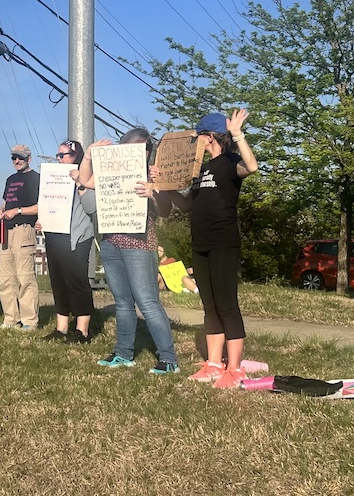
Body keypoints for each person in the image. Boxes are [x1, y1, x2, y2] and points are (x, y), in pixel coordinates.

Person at [154, 109, 259, 389]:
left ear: (209, 137)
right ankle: (214, 364)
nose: (194, 141)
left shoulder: (229, 162)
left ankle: (235, 369)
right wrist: (166, 187)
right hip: (200, 244)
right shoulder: (198, 170)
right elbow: (188, 205)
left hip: (223, 243)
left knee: (227, 305)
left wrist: (238, 135)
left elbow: (251, 167)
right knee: (209, 305)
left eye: (197, 136)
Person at [77, 128, 179, 374]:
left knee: (148, 302)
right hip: (111, 241)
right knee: (122, 302)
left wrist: (153, 192)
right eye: (135, 146)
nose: (140, 152)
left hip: (140, 245)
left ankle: (168, 359)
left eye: (145, 148)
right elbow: (85, 181)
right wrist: (89, 155)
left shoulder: (154, 175)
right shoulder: (111, 171)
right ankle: (123, 353)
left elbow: (166, 210)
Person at [37, 140, 96, 343]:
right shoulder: (52, 177)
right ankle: (61, 328)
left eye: (64, 155)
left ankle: (82, 330)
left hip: (77, 237)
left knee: (77, 282)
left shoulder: (86, 175)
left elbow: (90, 207)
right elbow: (46, 204)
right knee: (58, 281)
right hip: (55, 236)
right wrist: (41, 219)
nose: (60, 158)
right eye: (58, 155)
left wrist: (80, 182)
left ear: (76, 156)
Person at [0, 144, 41, 330]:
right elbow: (7, 201)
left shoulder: (36, 178)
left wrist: (19, 211)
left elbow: (42, 206)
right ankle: (10, 319)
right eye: (14, 157)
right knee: (5, 277)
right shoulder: (10, 179)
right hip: (6, 231)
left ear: (29, 159)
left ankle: (29, 321)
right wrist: (2, 209)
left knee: (25, 277)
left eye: (20, 157)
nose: (17, 161)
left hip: (24, 230)